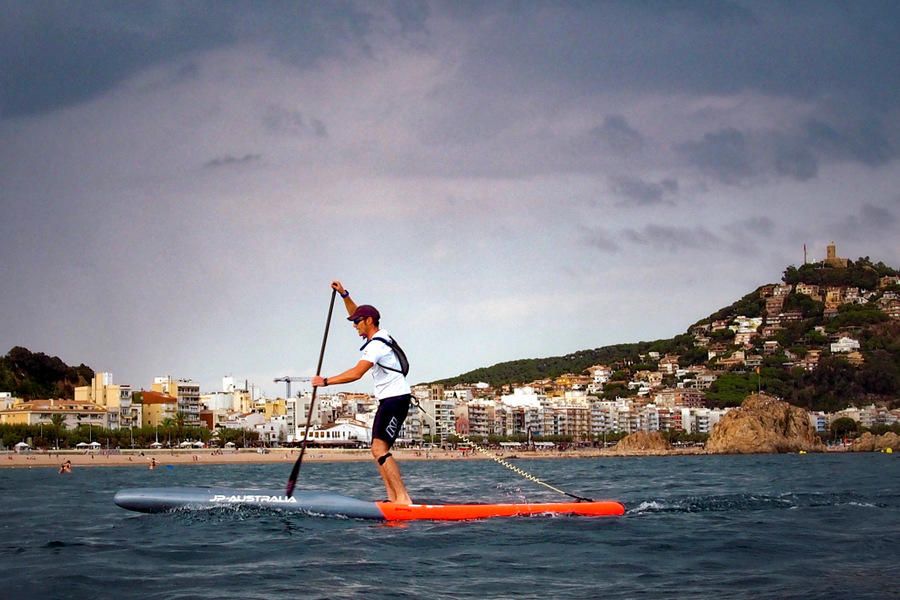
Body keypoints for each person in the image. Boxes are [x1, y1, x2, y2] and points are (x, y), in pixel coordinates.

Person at [311, 280, 413, 505]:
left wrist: (325, 381)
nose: (354, 325)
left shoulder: (376, 345)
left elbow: (357, 373)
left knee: (378, 449)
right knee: (378, 450)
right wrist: (344, 295)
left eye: (357, 322)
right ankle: (393, 499)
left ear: (369, 321)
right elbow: (358, 313)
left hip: (395, 400)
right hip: (389, 400)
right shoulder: (381, 334)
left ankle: (403, 499)